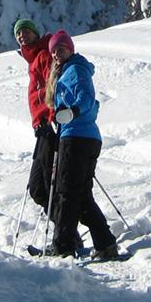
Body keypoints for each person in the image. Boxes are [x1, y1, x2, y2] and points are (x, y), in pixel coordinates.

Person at [45, 30, 118, 260]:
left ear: (70, 49)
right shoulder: (67, 71)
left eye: (61, 49)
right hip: (81, 136)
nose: (57, 54)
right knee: (81, 194)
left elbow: (86, 97)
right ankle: (105, 243)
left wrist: (72, 111)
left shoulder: (75, 69)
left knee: (66, 192)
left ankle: (63, 246)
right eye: (54, 51)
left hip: (77, 137)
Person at [14, 19, 56, 216]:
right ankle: (65, 235)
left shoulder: (44, 55)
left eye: (26, 32)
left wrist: (51, 117)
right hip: (42, 127)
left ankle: (66, 238)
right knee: (40, 188)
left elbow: (53, 87)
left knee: (45, 186)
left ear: (35, 33)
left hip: (50, 126)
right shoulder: (34, 59)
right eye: (18, 34)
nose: (22, 36)